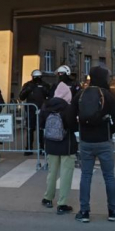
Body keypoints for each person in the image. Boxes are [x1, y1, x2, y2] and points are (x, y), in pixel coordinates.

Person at [72, 66, 115, 223]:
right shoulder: (107, 95)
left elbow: (69, 116)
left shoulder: (81, 94)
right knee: (109, 176)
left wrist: (80, 129)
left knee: (86, 175)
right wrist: (109, 131)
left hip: (86, 141)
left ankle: (84, 212)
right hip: (103, 141)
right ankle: (113, 211)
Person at [39, 82, 78, 215]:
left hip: (50, 144)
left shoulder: (46, 106)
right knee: (66, 174)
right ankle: (62, 204)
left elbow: (41, 124)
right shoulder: (68, 108)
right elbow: (73, 126)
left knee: (52, 172)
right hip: (67, 145)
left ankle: (48, 198)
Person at [18, 69, 51, 156]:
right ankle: (29, 148)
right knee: (30, 129)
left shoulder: (45, 85)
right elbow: (21, 96)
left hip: (42, 110)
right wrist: (28, 89)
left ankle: (42, 148)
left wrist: (44, 90)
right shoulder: (28, 85)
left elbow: (50, 96)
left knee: (41, 129)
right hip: (30, 110)